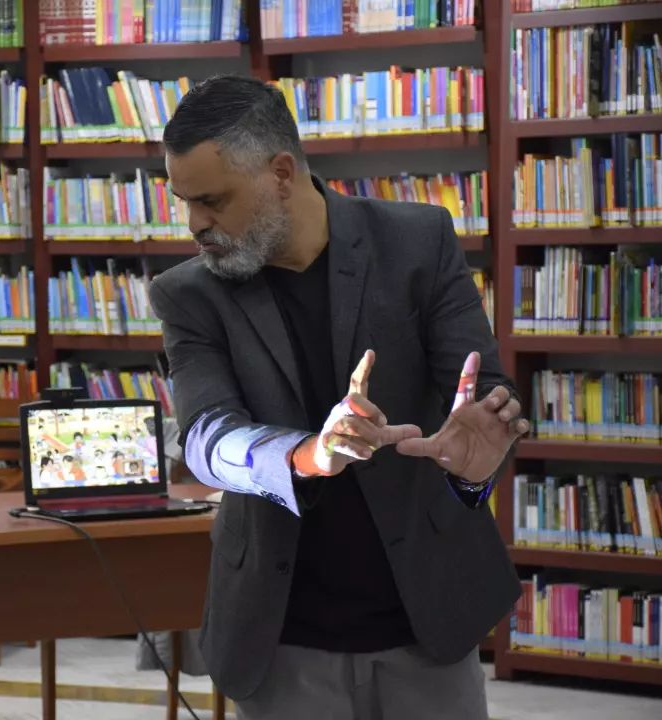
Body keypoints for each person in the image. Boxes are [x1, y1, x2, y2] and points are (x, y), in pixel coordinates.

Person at [150, 75, 530, 720]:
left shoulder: (417, 242)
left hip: (427, 616)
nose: (195, 225)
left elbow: (484, 390)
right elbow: (207, 436)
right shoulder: (189, 294)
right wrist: (306, 455)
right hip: (280, 630)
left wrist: (477, 463)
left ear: (279, 173)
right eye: (184, 202)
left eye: (212, 201)